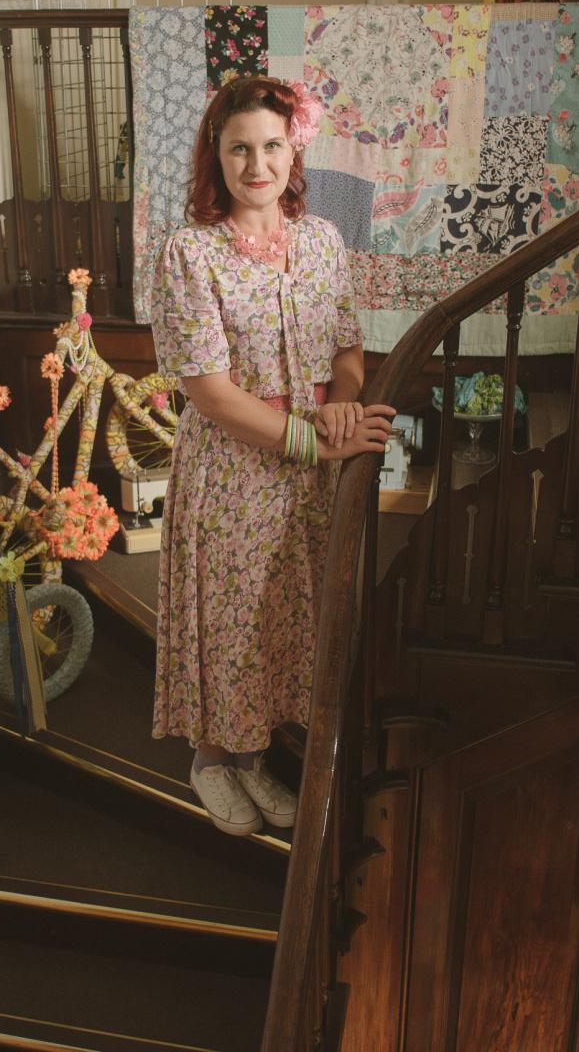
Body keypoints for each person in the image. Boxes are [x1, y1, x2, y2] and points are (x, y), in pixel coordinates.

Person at [148, 75, 394, 837]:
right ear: (215, 157)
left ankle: (251, 758)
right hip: (234, 472)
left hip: (312, 471)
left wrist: (342, 405)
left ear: (294, 152)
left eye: (272, 147)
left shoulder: (321, 239)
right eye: (239, 149)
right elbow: (208, 390)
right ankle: (209, 760)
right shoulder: (191, 254)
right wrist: (310, 439)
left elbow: (346, 346)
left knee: (285, 616)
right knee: (230, 618)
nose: (258, 165)